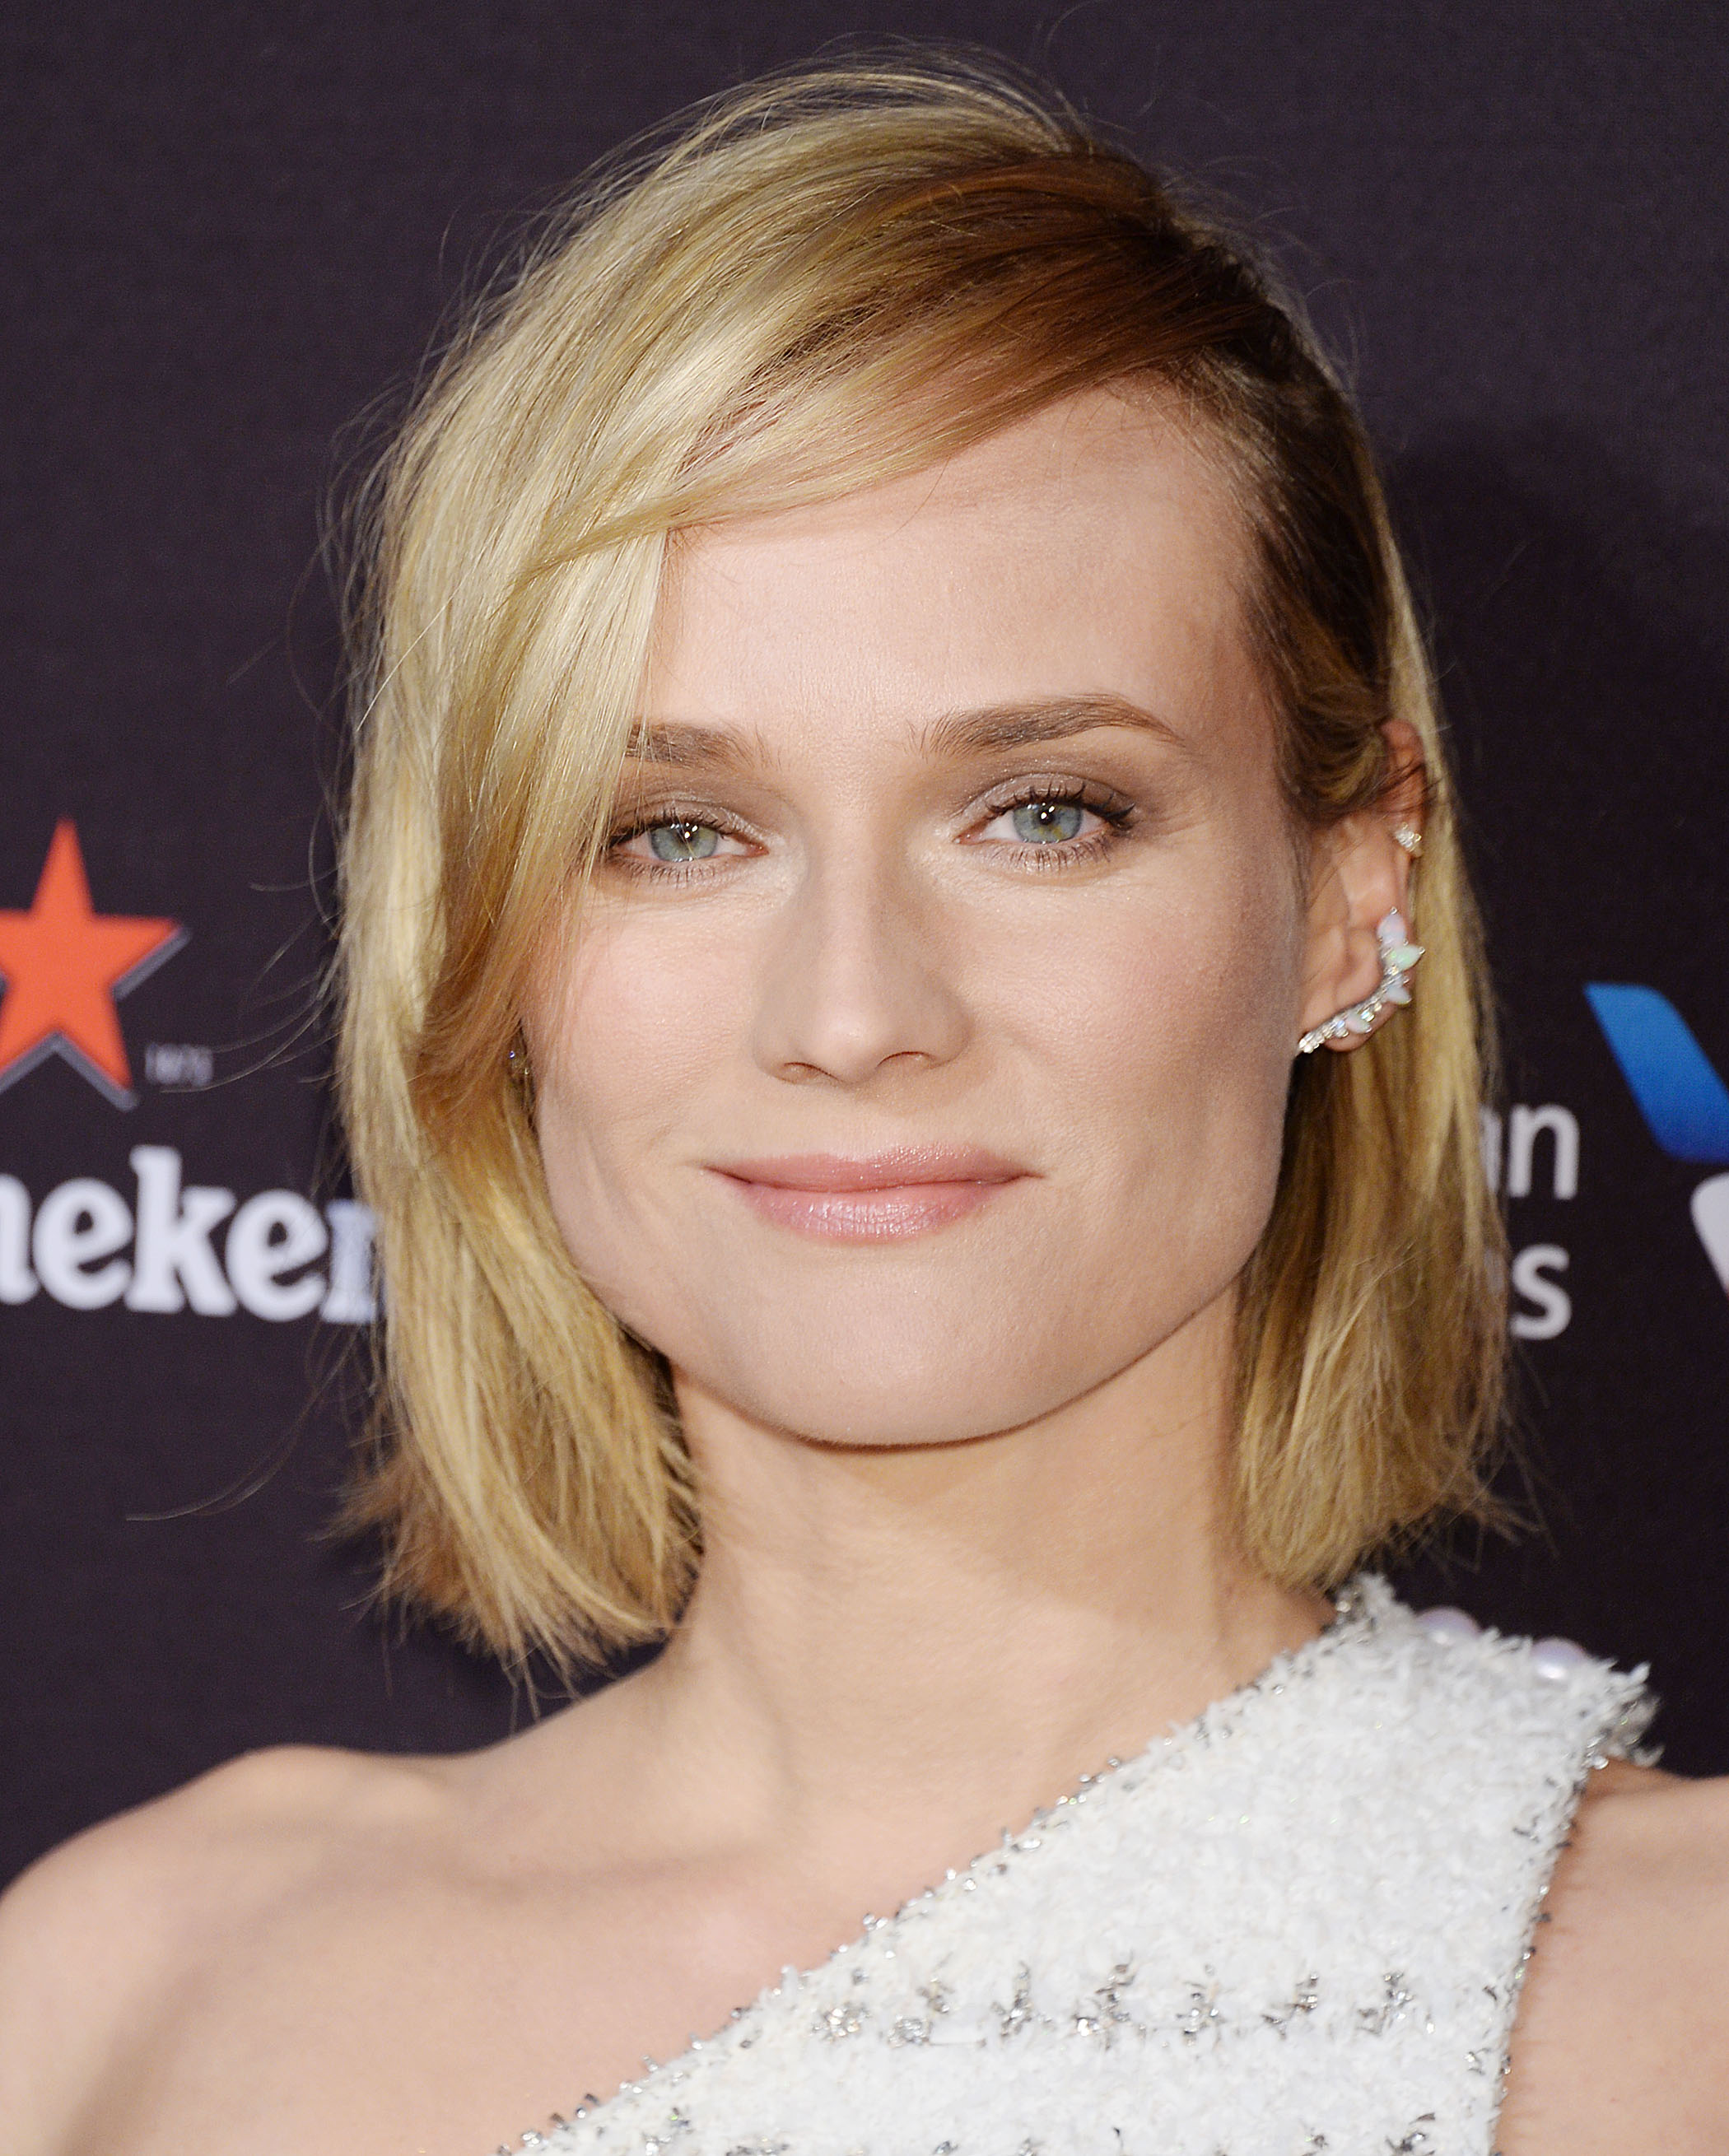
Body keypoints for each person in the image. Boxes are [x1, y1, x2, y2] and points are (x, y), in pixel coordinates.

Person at [1, 51, 1724, 2156]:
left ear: (1351, 889)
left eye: (1044, 810)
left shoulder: (1684, 1999)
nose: (851, 1011)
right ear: (485, 935)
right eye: (675, 831)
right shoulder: (124, 1994)